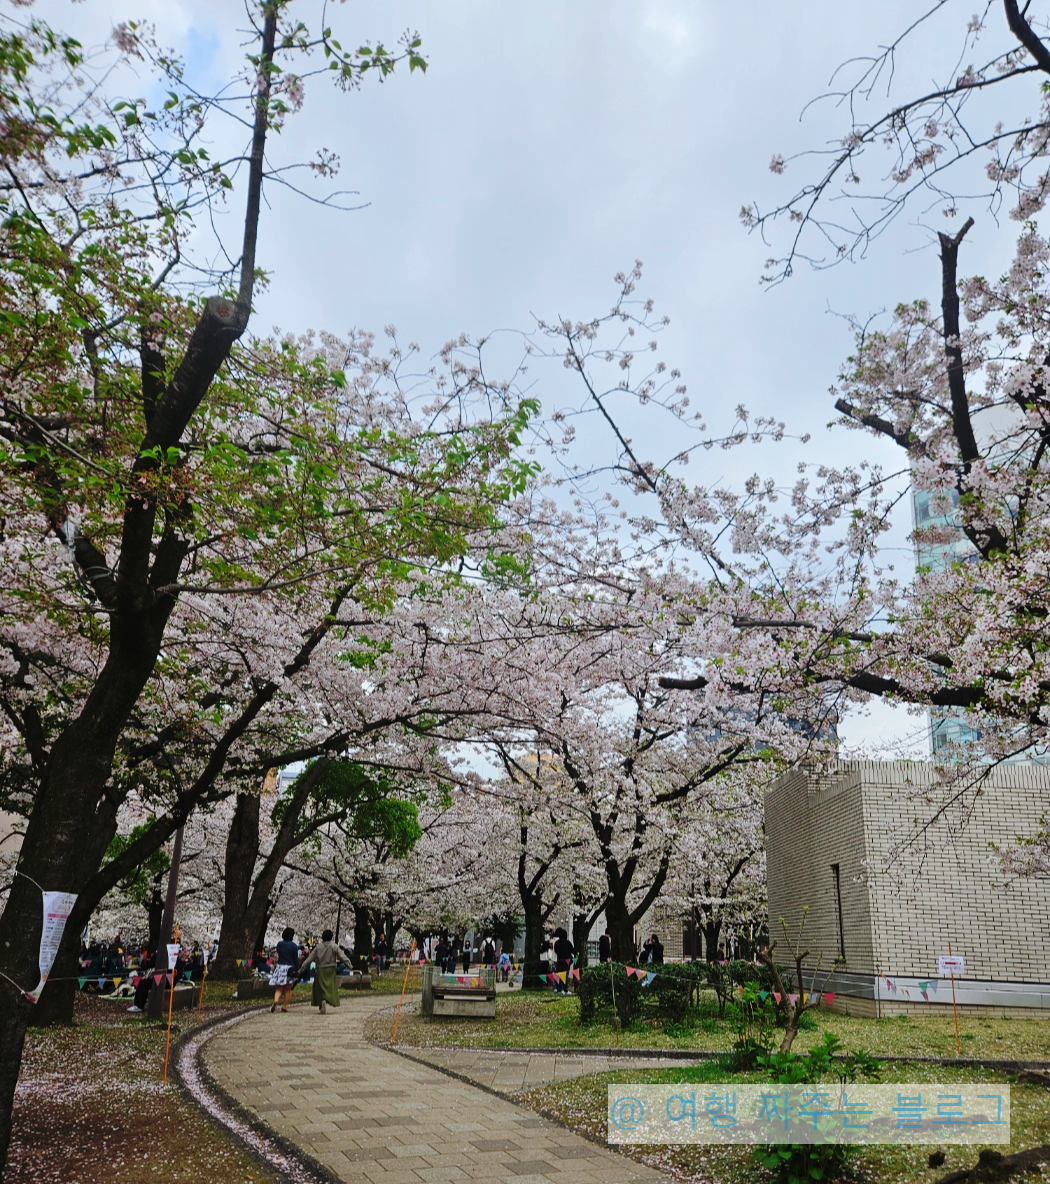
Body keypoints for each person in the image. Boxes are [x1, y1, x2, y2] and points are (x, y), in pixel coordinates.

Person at [298, 929, 352, 1014]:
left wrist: (301, 969)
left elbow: (309, 959)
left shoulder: (318, 947)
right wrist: (349, 965)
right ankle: (328, 1000)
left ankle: (321, 1000)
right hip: (331, 969)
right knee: (330, 986)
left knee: (320, 987)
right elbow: (342, 956)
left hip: (320, 969)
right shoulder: (334, 946)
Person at [270, 927, 300, 1013]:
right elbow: (295, 959)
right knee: (288, 989)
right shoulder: (294, 946)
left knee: (279, 988)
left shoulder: (279, 944)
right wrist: (298, 967)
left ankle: (276, 1000)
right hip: (289, 968)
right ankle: (284, 1006)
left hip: (280, 967)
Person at [553, 927, 574, 994]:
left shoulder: (557, 943)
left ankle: (559, 989)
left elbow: (555, 951)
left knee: (559, 975)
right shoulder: (568, 943)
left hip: (559, 960)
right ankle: (565, 989)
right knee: (565, 975)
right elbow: (572, 950)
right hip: (566, 961)